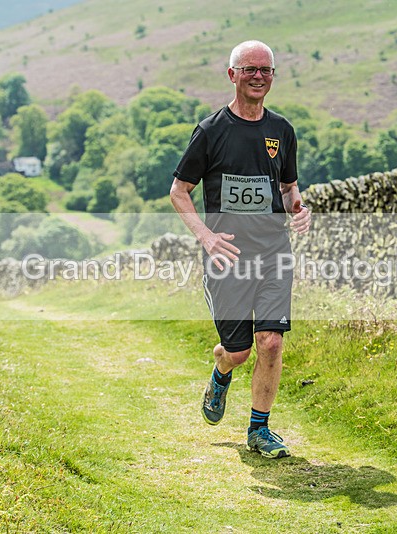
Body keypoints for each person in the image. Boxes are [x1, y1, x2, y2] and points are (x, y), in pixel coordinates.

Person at [170, 40, 311, 459]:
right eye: (250, 70)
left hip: (273, 253)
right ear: (232, 75)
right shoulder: (211, 131)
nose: (258, 77)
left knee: (270, 342)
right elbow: (179, 192)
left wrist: (298, 209)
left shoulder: (282, 131)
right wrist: (206, 237)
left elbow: (287, 189)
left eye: (266, 71)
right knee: (239, 350)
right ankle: (220, 371)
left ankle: (259, 430)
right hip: (226, 257)